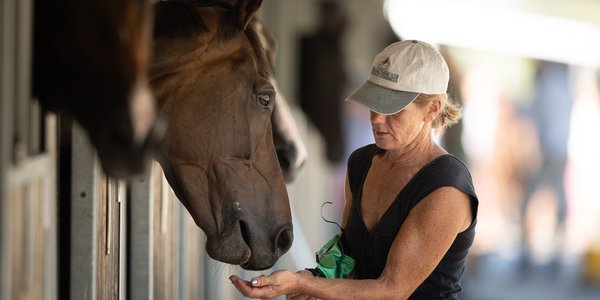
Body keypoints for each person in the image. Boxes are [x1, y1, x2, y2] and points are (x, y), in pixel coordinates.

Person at [230, 40, 479, 300]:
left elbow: (392, 290)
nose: (377, 119)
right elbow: (345, 260)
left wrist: (304, 286)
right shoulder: (362, 162)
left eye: (392, 110)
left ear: (432, 109)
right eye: (374, 103)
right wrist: (311, 278)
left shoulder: (446, 187)